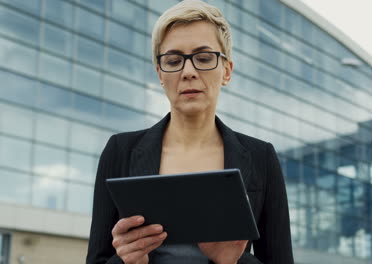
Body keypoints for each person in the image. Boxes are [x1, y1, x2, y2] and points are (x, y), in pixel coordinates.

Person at [86, 1, 294, 263]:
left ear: (226, 71)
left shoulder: (260, 157)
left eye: (204, 58)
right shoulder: (120, 151)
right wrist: (126, 260)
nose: (188, 72)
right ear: (160, 74)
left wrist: (231, 261)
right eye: (173, 60)